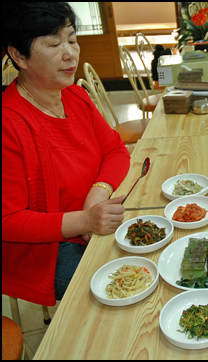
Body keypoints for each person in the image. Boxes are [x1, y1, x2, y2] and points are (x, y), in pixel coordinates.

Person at [2, 2, 131, 307]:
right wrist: (84, 221)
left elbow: (115, 150)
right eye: (53, 43)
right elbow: (8, 220)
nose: (70, 53)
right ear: (19, 56)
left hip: (95, 218)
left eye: (72, 40)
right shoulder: (9, 122)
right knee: (124, 289)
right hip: (49, 248)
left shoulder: (74, 95)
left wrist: (97, 195)